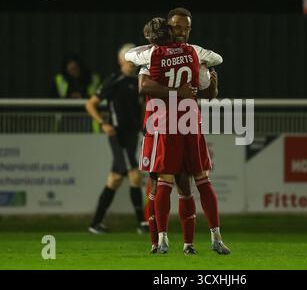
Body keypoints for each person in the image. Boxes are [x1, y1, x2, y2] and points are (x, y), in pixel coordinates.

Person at [126, 16, 229, 255]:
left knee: (164, 182)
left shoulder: (151, 56)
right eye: (177, 27)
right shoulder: (194, 53)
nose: (182, 31)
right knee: (198, 181)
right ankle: (209, 239)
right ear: (170, 30)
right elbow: (207, 80)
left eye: (186, 27)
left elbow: (133, 65)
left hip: (162, 124)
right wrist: (206, 80)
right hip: (189, 121)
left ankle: (162, 241)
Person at [85, 43, 148, 235]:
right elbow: (90, 104)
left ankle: (95, 223)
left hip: (131, 136)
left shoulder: (140, 81)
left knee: (114, 179)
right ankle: (142, 223)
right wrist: (103, 124)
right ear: (121, 60)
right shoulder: (114, 80)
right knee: (135, 175)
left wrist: (144, 126)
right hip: (118, 135)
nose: (132, 61)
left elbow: (143, 106)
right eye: (128, 57)